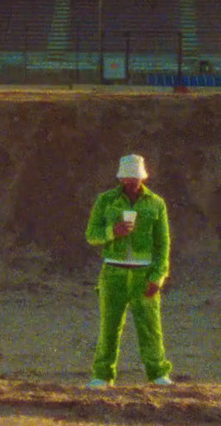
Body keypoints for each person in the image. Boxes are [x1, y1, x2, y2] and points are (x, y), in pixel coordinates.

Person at [85, 153, 174, 388]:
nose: (131, 183)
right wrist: (113, 231)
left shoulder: (156, 203)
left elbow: (163, 244)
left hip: (143, 273)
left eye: (135, 178)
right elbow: (92, 235)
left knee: (150, 327)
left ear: (142, 178)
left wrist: (158, 276)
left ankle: (157, 373)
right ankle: (102, 375)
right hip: (113, 271)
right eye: (127, 178)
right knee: (109, 327)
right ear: (121, 178)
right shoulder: (105, 201)